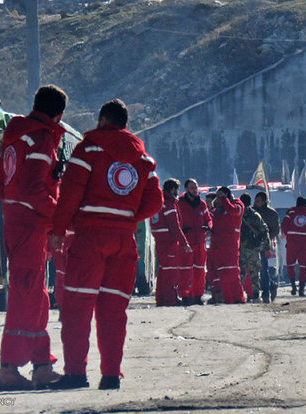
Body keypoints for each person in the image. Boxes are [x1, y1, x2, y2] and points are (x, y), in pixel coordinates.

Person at [50, 99, 162, 389]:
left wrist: (59, 230)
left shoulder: (88, 150)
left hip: (89, 240)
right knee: (113, 312)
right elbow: (156, 201)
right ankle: (111, 375)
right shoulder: (143, 160)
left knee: (77, 307)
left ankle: (76, 373)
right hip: (124, 242)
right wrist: (127, 217)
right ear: (124, 124)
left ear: (101, 120)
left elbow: (71, 193)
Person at [0, 85, 67, 390]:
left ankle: (40, 365)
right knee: (27, 297)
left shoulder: (14, 136)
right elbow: (35, 189)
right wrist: (57, 218)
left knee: (35, 296)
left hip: (18, 222)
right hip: (31, 225)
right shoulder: (40, 138)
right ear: (59, 114)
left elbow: (1, 186)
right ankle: (10, 368)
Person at [151, 179, 191, 307]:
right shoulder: (169, 204)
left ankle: (161, 299)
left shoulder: (158, 202)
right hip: (168, 241)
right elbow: (175, 226)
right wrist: (185, 243)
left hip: (160, 240)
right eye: (176, 189)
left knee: (163, 271)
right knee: (171, 271)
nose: (177, 192)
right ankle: (170, 300)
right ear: (173, 189)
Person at [177, 178, 211, 306]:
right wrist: (182, 230)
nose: (195, 190)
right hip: (186, 242)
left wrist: (209, 226)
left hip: (200, 241)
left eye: (196, 187)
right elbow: (175, 221)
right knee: (185, 270)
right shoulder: (180, 204)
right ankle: (185, 295)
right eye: (192, 188)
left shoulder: (202, 204)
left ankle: (198, 295)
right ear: (186, 189)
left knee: (200, 269)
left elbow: (208, 219)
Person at [210, 186, 245, 304]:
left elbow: (234, 211)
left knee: (233, 272)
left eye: (220, 197)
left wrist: (224, 199)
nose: (219, 200)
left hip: (231, 245)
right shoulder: (218, 211)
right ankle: (229, 298)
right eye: (218, 198)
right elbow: (215, 229)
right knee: (223, 273)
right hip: (219, 247)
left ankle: (238, 298)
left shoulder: (238, 204)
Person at [239, 193, 271, 303]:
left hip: (241, 248)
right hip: (253, 248)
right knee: (254, 273)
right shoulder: (255, 215)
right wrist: (267, 247)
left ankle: (241, 294)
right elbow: (264, 230)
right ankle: (255, 295)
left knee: (241, 273)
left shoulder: (237, 214)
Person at [281, 197, 306, 296]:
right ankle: (301, 289)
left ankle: (293, 286)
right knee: (303, 265)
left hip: (292, 241)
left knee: (290, 264)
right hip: (303, 242)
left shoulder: (291, 212)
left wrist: (288, 234)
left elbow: (284, 225)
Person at [253, 191, 280, 302]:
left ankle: (266, 292)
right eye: (256, 200)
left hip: (264, 245)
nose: (256, 203)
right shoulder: (251, 212)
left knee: (264, 269)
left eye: (259, 201)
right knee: (254, 270)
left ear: (264, 201)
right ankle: (269, 286)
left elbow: (275, 230)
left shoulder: (271, 213)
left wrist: (266, 239)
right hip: (252, 245)